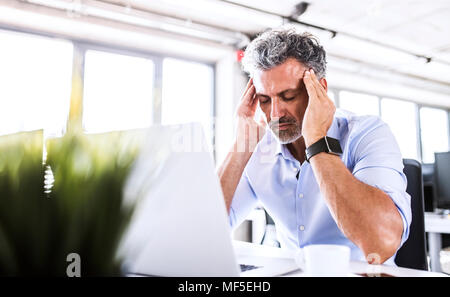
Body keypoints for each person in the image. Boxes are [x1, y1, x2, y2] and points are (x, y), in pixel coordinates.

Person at [217, 27, 411, 265]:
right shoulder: (258, 148)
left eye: (288, 96)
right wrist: (241, 146)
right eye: (265, 100)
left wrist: (317, 142)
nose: (275, 114)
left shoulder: (367, 134)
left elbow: (381, 243)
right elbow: (202, 231)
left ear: (320, 89)